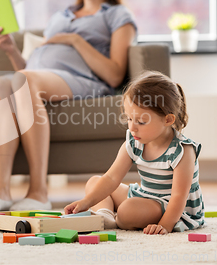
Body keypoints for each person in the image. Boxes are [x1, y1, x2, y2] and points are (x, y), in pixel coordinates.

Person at [0, 0, 138, 214]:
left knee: (24, 80)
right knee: (2, 83)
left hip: (84, 80)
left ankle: (38, 192)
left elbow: (115, 74)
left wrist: (75, 40)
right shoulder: (60, 16)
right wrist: (10, 50)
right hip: (39, 77)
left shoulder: (118, 15)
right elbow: (27, 71)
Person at [64, 71, 205, 234]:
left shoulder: (183, 151)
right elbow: (111, 178)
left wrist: (165, 225)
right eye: (129, 119)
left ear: (168, 120)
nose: (132, 127)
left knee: (127, 211)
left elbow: (179, 197)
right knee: (95, 182)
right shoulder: (134, 141)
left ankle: (119, 218)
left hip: (173, 208)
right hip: (145, 196)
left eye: (141, 121)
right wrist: (86, 202)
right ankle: (106, 216)